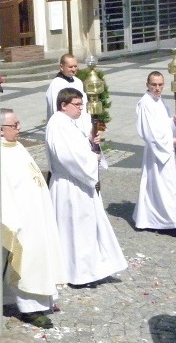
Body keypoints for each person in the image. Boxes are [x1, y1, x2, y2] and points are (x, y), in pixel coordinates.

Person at [0, 110, 65, 329]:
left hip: (33, 217)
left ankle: (32, 302)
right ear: (0, 129)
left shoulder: (18, 148)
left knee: (34, 260)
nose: (19, 128)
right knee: (19, 262)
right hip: (13, 220)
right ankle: (28, 309)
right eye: (15, 125)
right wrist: (10, 220)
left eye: (19, 124)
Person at [46, 87, 127, 287]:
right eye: (77, 105)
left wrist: (91, 143)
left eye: (82, 104)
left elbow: (79, 149)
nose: (81, 109)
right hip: (70, 185)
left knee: (88, 227)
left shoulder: (68, 123)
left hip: (80, 183)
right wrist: (93, 159)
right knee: (76, 229)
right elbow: (68, 157)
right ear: (63, 105)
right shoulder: (58, 124)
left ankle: (92, 268)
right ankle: (79, 273)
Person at [134, 71, 176, 238]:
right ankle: (171, 225)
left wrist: (173, 121)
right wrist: (171, 141)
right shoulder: (145, 103)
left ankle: (157, 220)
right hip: (157, 153)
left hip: (163, 152)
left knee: (163, 187)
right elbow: (150, 133)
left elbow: (162, 124)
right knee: (164, 187)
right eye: (154, 84)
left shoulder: (160, 101)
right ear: (147, 85)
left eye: (160, 84)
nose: (157, 88)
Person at [45, 53, 91, 133]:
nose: (73, 69)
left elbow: (84, 104)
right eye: (70, 67)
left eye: (75, 66)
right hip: (65, 129)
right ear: (61, 67)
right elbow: (55, 109)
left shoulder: (78, 81)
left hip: (82, 126)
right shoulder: (56, 85)